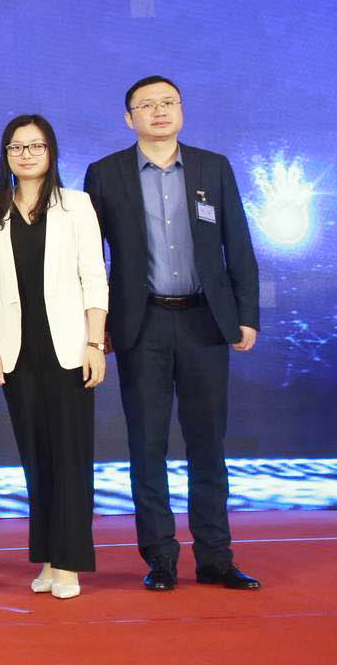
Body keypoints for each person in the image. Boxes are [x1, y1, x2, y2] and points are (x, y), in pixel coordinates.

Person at [83, 76, 262, 592]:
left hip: (205, 321)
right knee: (147, 445)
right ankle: (160, 558)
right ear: (129, 118)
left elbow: (238, 243)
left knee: (208, 444)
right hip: (142, 324)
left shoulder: (213, 167)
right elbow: (88, 258)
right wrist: (97, 324)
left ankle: (216, 558)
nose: (159, 111)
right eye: (147, 105)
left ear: (181, 111)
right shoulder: (105, 173)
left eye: (168, 103)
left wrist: (246, 313)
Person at [0, 114, 108, 599]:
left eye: (35, 146)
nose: (26, 155)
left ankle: (69, 564)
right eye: (16, 147)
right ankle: (49, 558)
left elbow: (94, 276)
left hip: (70, 349)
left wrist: (95, 343)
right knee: (36, 458)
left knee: (70, 456)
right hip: (17, 352)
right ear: (5, 156)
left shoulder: (77, 205)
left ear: (51, 152)